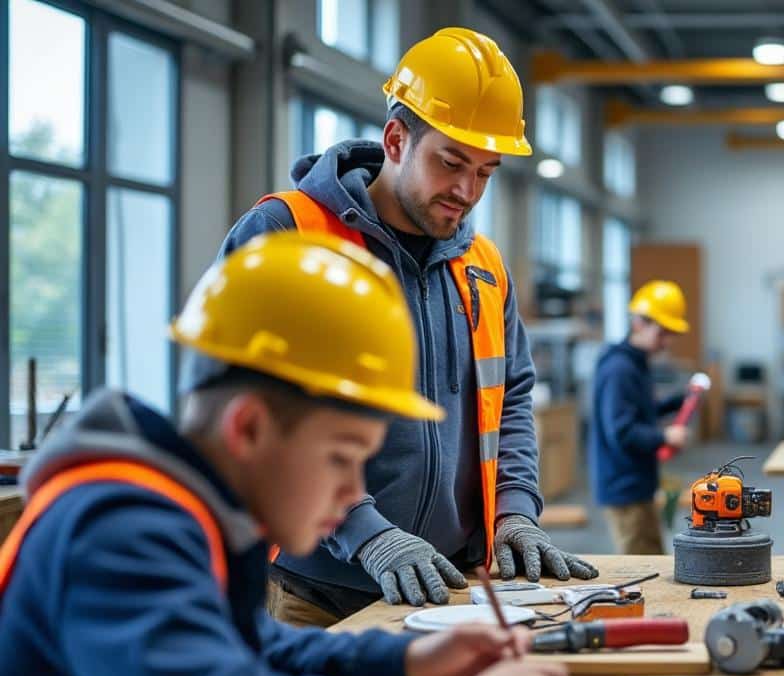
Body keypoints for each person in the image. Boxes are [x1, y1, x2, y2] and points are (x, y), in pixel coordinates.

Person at [0, 232, 572, 676]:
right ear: (248, 429)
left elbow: (251, 645)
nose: (355, 494)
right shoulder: (118, 530)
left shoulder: (188, 516)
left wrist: (402, 663)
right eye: (341, 458)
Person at [220, 28, 596, 625]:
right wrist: (367, 533)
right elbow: (250, 413)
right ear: (397, 138)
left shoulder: (483, 268)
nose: (466, 192)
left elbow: (512, 401)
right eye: (451, 163)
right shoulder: (287, 237)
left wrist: (515, 511)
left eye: (486, 173)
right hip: (315, 597)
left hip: (454, 592)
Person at [589, 281, 694, 554]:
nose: (667, 341)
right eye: (663, 332)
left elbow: (639, 411)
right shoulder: (620, 369)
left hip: (637, 483)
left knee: (651, 555)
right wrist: (665, 435)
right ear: (639, 323)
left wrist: (679, 401)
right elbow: (622, 431)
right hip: (625, 488)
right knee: (643, 565)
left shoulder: (635, 363)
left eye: (671, 333)